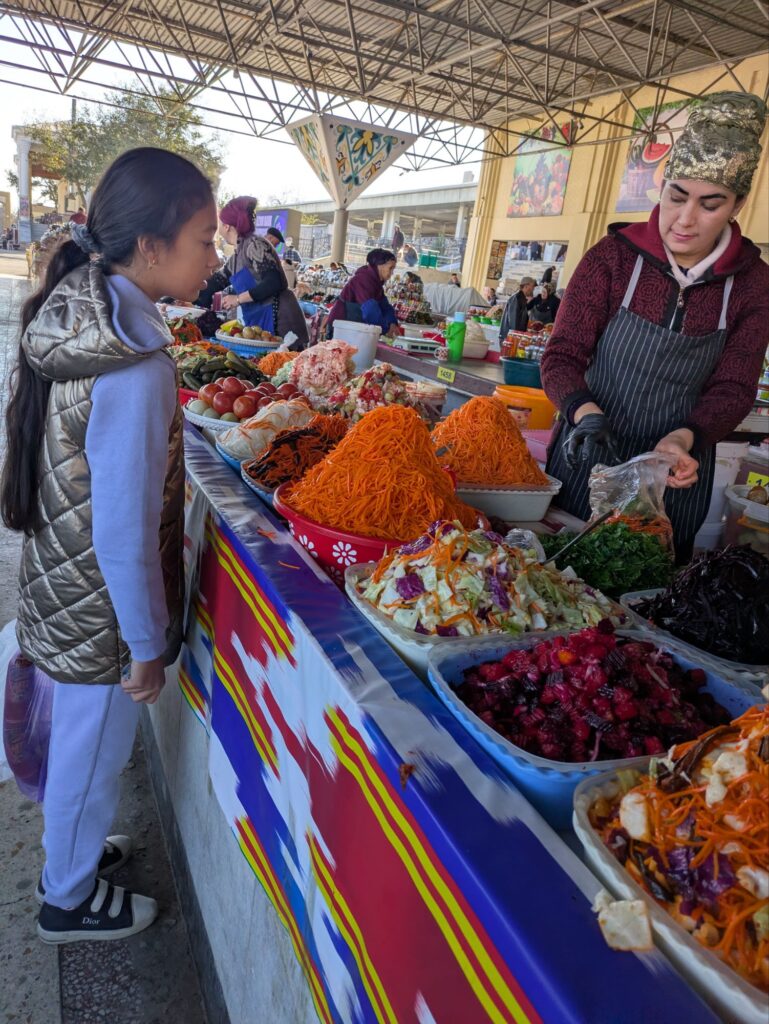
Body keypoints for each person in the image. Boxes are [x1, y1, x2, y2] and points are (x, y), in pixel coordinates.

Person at [0, 147, 219, 944]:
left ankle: (76, 857)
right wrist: (142, 645)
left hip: (63, 577)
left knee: (78, 752)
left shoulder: (86, 315)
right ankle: (67, 899)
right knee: (91, 760)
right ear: (152, 247)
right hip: (99, 605)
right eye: (204, 237)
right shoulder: (137, 365)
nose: (214, 256)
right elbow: (124, 525)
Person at [541, 92, 769, 561]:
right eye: (677, 196)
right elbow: (562, 355)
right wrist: (584, 412)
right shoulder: (613, 257)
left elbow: (734, 386)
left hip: (675, 474)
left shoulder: (753, 282)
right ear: (662, 187)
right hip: (587, 457)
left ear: (737, 204)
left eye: (710, 204)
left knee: (643, 596)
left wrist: (684, 439)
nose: (685, 220)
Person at [216, 197, 308, 347]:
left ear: (226, 226)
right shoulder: (236, 255)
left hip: (281, 321)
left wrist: (238, 299)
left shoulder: (255, 244)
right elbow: (215, 283)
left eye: (220, 223)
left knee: (282, 367)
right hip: (261, 322)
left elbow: (273, 282)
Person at [326, 248, 399, 338]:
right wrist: (386, 329)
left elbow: (385, 306)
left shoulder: (376, 283)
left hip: (353, 330)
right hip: (341, 329)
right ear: (379, 265)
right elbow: (370, 310)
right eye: (390, 268)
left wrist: (392, 322)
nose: (392, 273)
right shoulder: (363, 279)